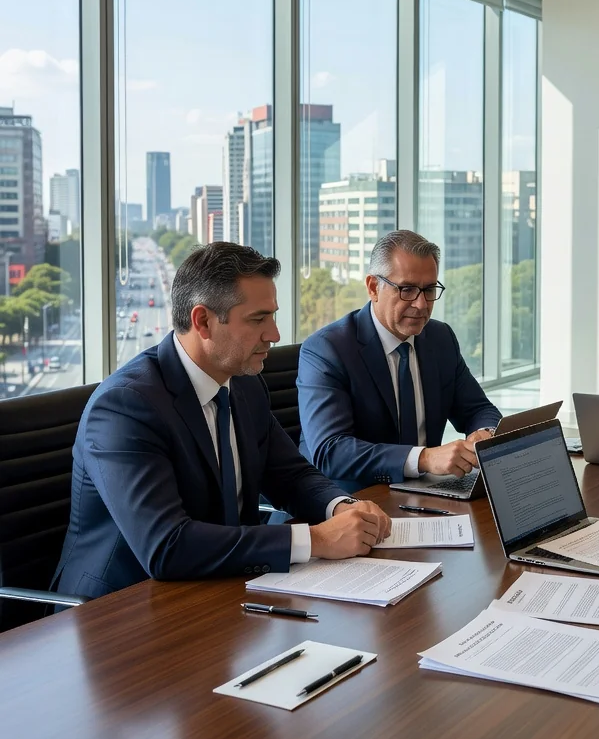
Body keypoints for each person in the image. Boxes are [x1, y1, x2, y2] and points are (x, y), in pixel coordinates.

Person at [53, 243, 391, 600]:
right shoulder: (125, 407)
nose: (274, 334)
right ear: (202, 321)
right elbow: (167, 546)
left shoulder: (244, 383)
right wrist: (318, 539)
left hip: (218, 588)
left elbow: (291, 476)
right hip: (119, 612)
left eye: (273, 316)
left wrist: (342, 508)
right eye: (258, 319)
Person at [298, 230, 502, 492]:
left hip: (424, 494)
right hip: (351, 503)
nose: (421, 304)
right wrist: (425, 458)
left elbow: (477, 409)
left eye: (429, 289)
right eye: (406, 289)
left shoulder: (440, 338)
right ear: (373, 287)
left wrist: (483, 434)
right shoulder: (327, 349)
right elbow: (331, 451)